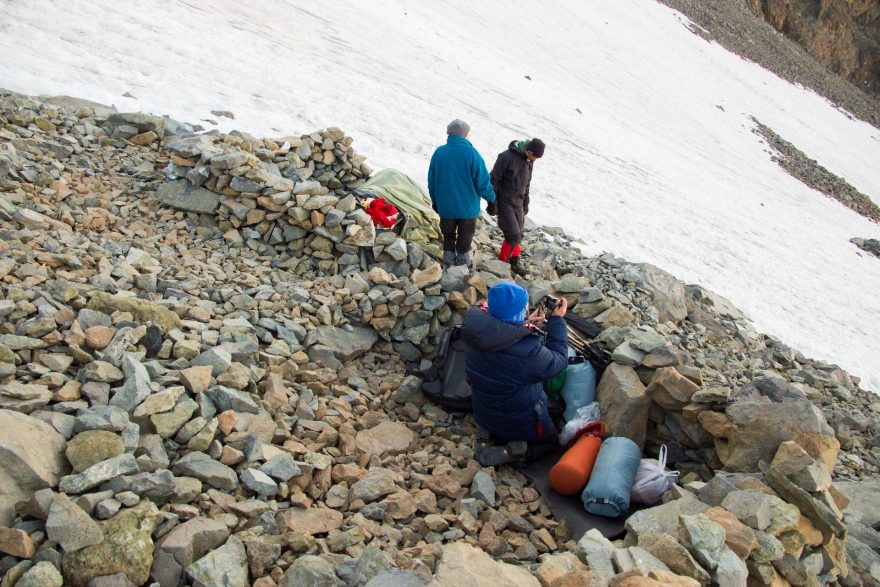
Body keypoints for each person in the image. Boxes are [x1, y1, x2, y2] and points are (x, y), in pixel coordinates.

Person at [460, 281, 568, 466]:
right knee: (553, 442)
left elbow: (500, 334)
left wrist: (524, 325)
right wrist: (557, 320)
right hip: (519, 423)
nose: (527, 309)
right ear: (519, 312)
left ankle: (487, 433)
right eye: (524, 307)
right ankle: (519, 452)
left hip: (483, 410)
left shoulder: (474, 332)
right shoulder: (528, 352)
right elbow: (558, 360)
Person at [427, 119, 496, 269]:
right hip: (467, 209)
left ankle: (448, 263)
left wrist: (435, 201)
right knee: (465, 238)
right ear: (464, 135)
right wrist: (491, 199)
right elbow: (482, 182)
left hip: (445, 207)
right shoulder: (472, 154)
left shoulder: (439, 152)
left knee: (448, 236)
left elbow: (432, 181)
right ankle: (463, 266)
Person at [488, 137, 545, 277]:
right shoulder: (506, 157)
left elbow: (527, 184)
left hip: (518, 202)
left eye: (536, 158)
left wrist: (526, 202)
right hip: (504, 201)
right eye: (533, 156)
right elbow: (493, 179)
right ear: (528, 150)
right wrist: (492, 202)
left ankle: (514, 263)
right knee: (513, 235)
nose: (534, 159)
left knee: (519, 234)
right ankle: (503, 264)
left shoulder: (530, 161)